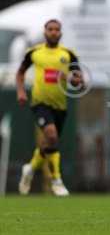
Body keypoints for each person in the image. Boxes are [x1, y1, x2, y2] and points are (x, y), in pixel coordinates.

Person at [16, 19, 83, 196]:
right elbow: (20, 72)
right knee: (52, 136)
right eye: (50, 29)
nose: (53, 32)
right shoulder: (34, 52)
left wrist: (77, 81)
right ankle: (56, 180)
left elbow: (79, 81)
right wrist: (21, 92)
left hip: (60, 106)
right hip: (40, 103)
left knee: (49, 143)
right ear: (45, 31)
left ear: (60, 33)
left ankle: (29, 168)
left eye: (56, 29)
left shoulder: (68, 54)